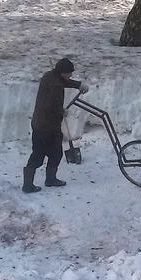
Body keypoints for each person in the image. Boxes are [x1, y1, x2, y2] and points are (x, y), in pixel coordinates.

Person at [22, 58, 89, 193]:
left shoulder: (50, 76)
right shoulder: (55, 86)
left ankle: (46, 180)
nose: (71, 75)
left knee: (50, 153)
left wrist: (78, 85)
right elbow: (51, 105)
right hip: (47, 126)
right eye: (69, 73)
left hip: (40, 123)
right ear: (62, 72)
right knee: (42, 155)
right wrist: (61, 111)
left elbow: (63, 82)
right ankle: (31, 184)